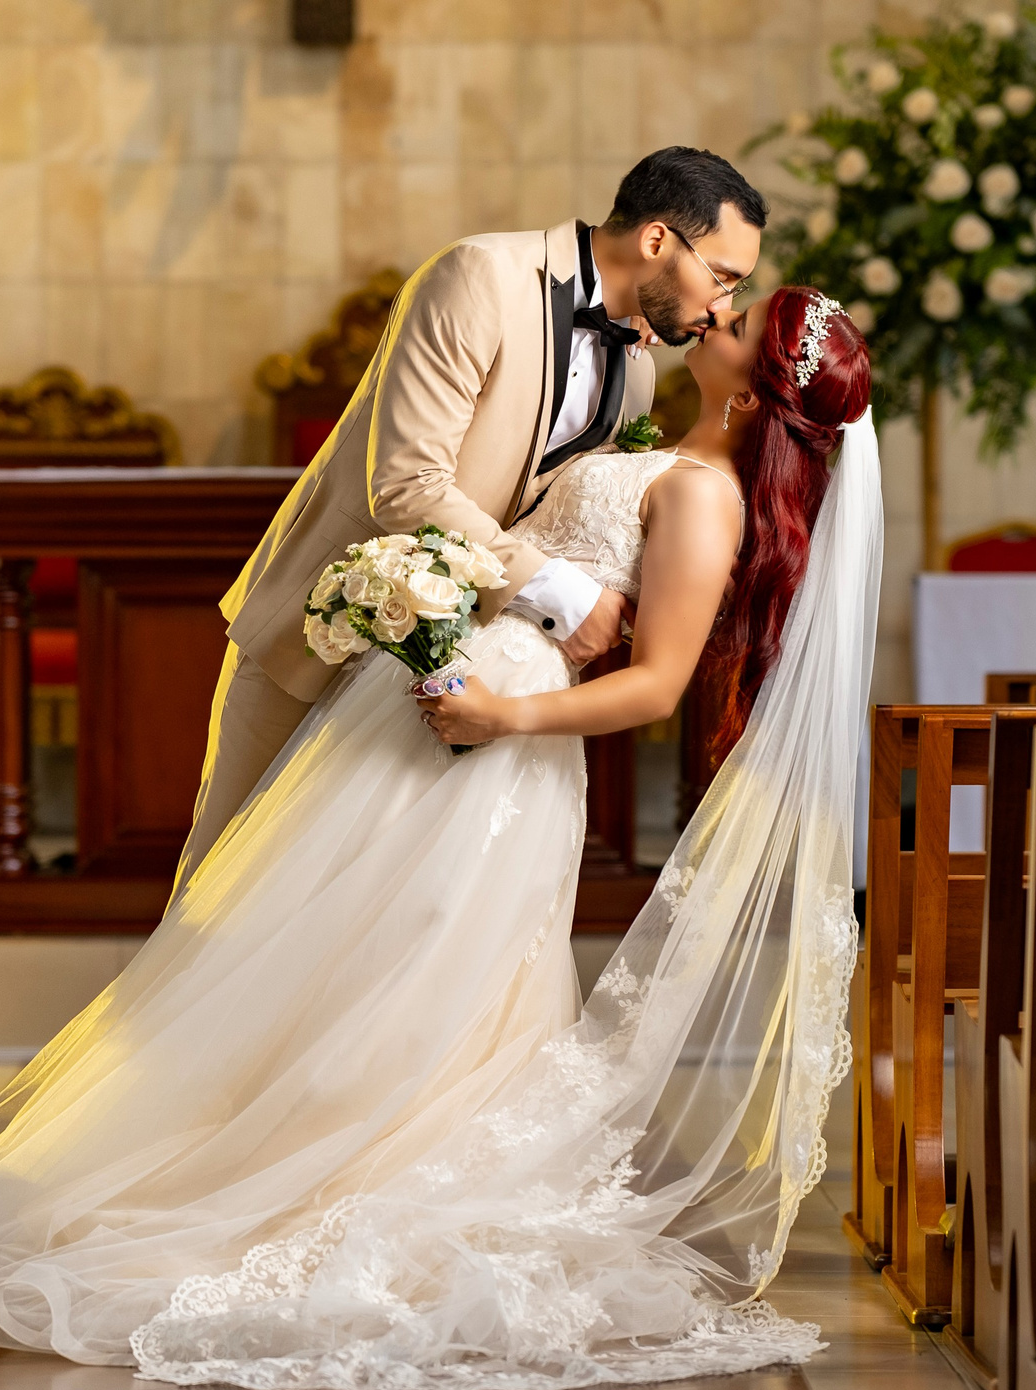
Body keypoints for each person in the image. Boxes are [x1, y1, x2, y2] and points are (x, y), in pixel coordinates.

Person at [0, 281, 879, 1390]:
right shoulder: (660, 437)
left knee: (429, 963)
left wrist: (504, 714)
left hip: (498, 734)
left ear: (754, 394)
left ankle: (359, 1186)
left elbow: (654, 687)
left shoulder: (705, 495)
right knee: (326, 941)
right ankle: (264, 1163)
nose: (715, 315)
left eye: (739, 325)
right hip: (440, 695)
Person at [176, 146, 768, 889]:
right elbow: (406, 482)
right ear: (657, 241)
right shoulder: (480, 276)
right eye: (722, 276)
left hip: (446, 683)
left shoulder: (640, 371)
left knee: (363, 921)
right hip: (330, 626)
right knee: (225, 892)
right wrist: (564, 596)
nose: (721, 306)